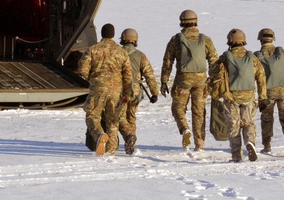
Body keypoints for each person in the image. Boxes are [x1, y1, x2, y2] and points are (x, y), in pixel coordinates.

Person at [160, 9, 218, 152]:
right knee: (199, 111)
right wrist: (212, 79)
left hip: (183, 79)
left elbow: (168, 61)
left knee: (178, 107)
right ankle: (200, 144)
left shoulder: (176, 39)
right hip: (201, 80)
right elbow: (214, 60)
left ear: (181, 22)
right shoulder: (205, 39)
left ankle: (185, 129)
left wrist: (164, 81)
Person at [210, 29, 268, 162]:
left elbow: (213, 72)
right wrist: (263, 97)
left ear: (230, 40)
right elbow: (261, 77)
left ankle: (236, 156)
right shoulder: (252, 58)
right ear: (243, 40)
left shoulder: (225, 57)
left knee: (233, 127)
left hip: (231, 97)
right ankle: (250, 142)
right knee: (248, 123)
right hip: (249, 96)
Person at [77, 23, 133, 156]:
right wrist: (126, 93)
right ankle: (111, 150)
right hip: (116, 91)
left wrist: (93, 78)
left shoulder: (93, 49)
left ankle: (99, 135)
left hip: (98, 89)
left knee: (92, 116)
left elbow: (82, 69)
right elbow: (128, 75)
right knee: (113, 120)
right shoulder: (122, 52)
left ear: (102, 34)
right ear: (113, 35)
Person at [255, 27, 284, 157]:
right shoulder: (281, 53)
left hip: (267, 93)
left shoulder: (256, 56)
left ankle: (266, 146)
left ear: (260, 40)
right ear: (272, 39)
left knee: (266, 120)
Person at [117, 27, 160, 155]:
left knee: (119, 116)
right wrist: (154, 93)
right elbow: (149, 75)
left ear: (123, 39)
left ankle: (128, 137)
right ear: (135, 40)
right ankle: (131, 141)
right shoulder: (141, 56)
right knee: (131, 116)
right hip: (135, 92)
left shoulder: (117, 53)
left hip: (120, 91)